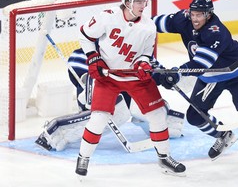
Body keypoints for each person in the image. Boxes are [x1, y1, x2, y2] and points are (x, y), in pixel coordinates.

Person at [153, 0, 238, 172]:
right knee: (195, 116)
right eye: (193, 14)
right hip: (211, 77)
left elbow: (201, 63)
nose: (195, 18)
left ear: (208, 15)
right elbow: (151, 24)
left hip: (237, 74)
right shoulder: (183, 18)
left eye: (200, 15)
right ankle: (224, 136)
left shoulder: (216, 31)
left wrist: (176, 73)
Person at [74, 0, 186, 177]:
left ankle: (164, 157)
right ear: (126, 2)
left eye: (144, 1)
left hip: (135, 78)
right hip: (108, 77)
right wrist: (93, 57)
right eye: (137, 1)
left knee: (158, 114)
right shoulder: (107, 17)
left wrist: (143, 64)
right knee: (98, 119)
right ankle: (83, 158)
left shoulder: (148, 26)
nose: (142, 5)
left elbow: (145, 52)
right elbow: (84, 35)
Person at [35, 48, 185, 151]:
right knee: (111, 113)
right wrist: (91, 80)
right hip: (100, 86)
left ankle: (153, 121)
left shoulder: (140, 46)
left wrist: (168, 76)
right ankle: (56, 131)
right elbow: (77, 61)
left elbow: (158, 75)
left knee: (154, 112)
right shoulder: (97, 47)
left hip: (125, 89)